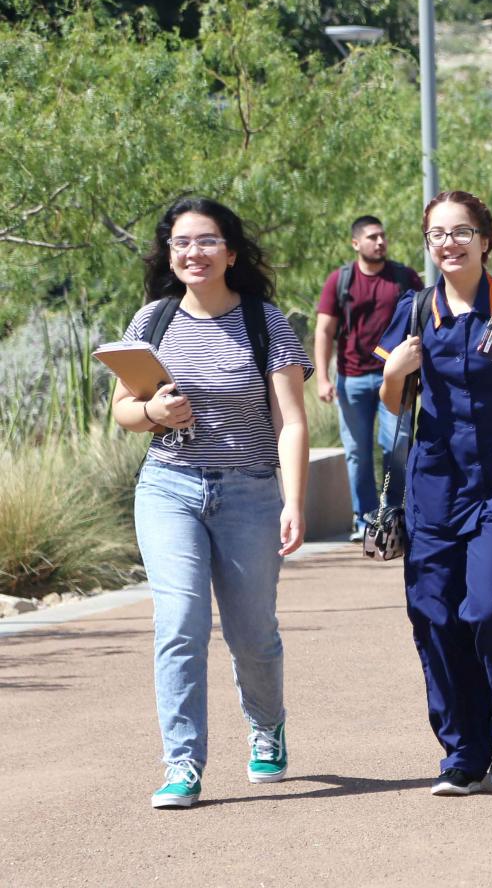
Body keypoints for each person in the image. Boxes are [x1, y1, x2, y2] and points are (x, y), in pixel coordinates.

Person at [111, 196, 311, 809]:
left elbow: (293, 422)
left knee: (253, 635)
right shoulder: (153, 320)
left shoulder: (264, 322)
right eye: (180, 243)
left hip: (249, 489)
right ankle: (182, 762)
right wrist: (152, 412)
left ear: (229, 251)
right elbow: (123, 410)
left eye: (204, 241)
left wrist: (293, 500)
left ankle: (267, 723)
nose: (192, 253)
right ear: (168, 255)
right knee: (180, 623)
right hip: (169, 486)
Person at [377, 190, 492, 795]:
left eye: (461, 232)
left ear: (485, 240)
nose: (448, 243)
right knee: (432, 616)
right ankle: (462, 750)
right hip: (433, 484)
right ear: (427, 244)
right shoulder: (414, 310)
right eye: (437, 234)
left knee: (488, 609)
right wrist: (394, 372)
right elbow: (395, 403)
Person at [313, 215, 423, 541]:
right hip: (352, 379)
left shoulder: (404, 278)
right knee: (357, 452)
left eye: (382, 236)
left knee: (397, 447)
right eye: (372, 237)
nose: (380, 242)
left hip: (397, 377)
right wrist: (322, 378)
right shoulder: (341, 280)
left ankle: (393, 515)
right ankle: (365, 521)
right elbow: (324, 330)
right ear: (356, 243)